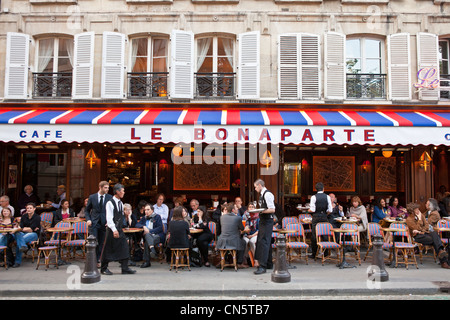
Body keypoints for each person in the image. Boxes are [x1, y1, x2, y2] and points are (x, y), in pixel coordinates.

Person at [100, 183, 136, 275]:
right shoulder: (110, 203)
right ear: (117, 191)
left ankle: (125, 268)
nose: (124, 192)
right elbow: (109, 218)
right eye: (122, 191)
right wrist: (114, 229)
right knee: (108, 249)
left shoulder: (121, 203)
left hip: (119, 229)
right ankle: (103, 268)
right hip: (112, 230)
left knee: (124, 247)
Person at [405, 202, 450, 269]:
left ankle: (441, 254)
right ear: (412, 211)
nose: (418, 211)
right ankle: (443, 260)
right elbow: (417, 228)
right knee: (435, 240)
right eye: (416, 209)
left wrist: (421, 230)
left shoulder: (421, 215)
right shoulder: (409, 219)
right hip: (417, 237)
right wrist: (420, 220)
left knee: (434, 233)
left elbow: (427, 226)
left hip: (425, 233)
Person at [85, 181, 112, 262]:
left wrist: (109, 221)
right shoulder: (92, 197)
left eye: (108, 188)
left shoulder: (109, 197)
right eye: (105, 188)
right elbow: (87, 210)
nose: (107, 189)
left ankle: (98, 259)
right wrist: (88, 219)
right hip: (94, 222)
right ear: (100, 187)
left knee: (102, 242)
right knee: (94, 241)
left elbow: (111, 211)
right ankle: (93, 259)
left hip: (104, 223)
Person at [253, 179, 276, 275]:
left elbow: (272, 209)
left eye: (255, 187)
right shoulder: (262, 195)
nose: (255, 189)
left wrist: (260, 211)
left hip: (267, 221)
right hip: (263, 221)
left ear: (259, 185)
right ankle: (269, 263)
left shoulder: (267, 194)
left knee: (264, 242)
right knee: (265, 241)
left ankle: (263, 266)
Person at [216, 202, 247, 268]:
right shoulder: (238, 218)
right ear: (233, 210)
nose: (237, 209)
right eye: (236, 208)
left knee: (229, 242)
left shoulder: (222, 217)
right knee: (243, 242)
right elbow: (242, 228)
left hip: (222, 241)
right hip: (233, 241)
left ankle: (223, 260)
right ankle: (239, 262)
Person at [308, 182, 333, 259]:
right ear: (323, 189)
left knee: (315, 234)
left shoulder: (313, 197)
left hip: (316, 216)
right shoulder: (327, 197)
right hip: (324, 216)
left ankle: (314, 253)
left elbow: (312, 209)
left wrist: (308, 210)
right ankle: (325, 253)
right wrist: (325, 213)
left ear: (316, 189)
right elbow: (330, 210)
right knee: (325, 234)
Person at [136, 203, 164, 268]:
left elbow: (160, 228)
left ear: (152, 210)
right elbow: (137, 225)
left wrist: (150, 231)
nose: (146, 211)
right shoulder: (144, 218)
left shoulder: (157, 217)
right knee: (147, 240)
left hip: (157, 236)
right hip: (148, 237)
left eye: (148, 210)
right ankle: (152, 249)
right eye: (145, 210)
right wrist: (143, 226)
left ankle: (147, 262)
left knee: (147, 238)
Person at [14, 203, 41, 268]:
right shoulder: (24, 216)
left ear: (34, 209)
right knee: (17, 233)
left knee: (19, 240)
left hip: (34, 234)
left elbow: (31, 230)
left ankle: (17, 262)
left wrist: (24, 229)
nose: (28, 209)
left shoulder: (37, 217)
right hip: (23, 234)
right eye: (27, 208)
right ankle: (23, 246)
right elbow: (21, 227)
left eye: (30, 208)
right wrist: (25, 229)